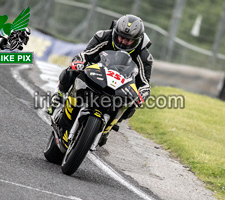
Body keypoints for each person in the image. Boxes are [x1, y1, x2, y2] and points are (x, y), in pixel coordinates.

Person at [47, 14, 153, 145]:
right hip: (96, 71)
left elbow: (144, 82)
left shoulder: (144, 55)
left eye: (129, 40)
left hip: (121, 84)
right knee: (72, 69)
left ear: (137, 40)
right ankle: (59, 96)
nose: (123, 42)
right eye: (121, 37)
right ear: (115, 33)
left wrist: (142, 94)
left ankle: (110, 126)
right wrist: (80, 62)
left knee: (133, 103)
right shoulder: (103, 36)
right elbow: (86, 54)